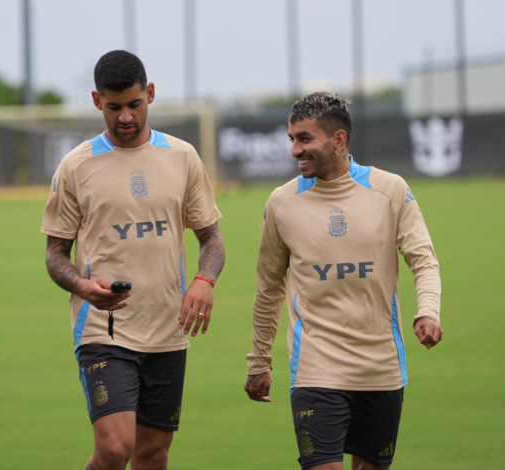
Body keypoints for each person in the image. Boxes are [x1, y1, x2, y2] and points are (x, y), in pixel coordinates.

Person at [42, 50, 225, 470]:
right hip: (104, 330)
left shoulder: (182, 156)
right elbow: (55, 255)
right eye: (114, 107)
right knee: (114, 450)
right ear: (96, 101)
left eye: (134, 104)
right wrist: (81, 286)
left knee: (152, 454)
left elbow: (211, 238)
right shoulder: (76, 165)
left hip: (167, 327)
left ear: (151, 94)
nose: (125, 117)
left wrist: (204, 280)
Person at [243, 92, 443, 470]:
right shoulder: (281, 203)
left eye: (304, 139)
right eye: (292, 139)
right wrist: (258, 361)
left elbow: (424, 260)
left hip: (381, 368)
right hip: (316, 369)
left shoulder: (390, 191)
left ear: (338, 141)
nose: (294, 150)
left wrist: (427, 312)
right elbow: (268, 288)